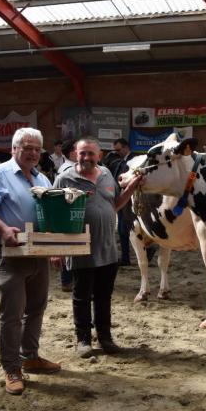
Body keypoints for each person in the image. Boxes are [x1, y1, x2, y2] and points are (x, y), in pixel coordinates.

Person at [0, 127, 61, 396]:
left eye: (37, 149)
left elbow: (50, 214)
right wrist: (2, 228)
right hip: (6, 253)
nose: (33, 153)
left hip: (37, 254)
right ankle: (12, 368)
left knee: (36, 308)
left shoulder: (43, 179)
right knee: (11, 314)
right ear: (14, 149)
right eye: (27, 148)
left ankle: (30, 356)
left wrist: (55, 247)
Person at [53, 137, 142, 358]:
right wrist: (55, 249)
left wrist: (130, 189)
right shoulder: (65, 178)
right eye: (82, 153)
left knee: (104, 296)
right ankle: (83, 339)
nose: (86, 158)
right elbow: (53, 214)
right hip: (80, 249)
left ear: (99, 155)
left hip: (109, 250)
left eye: (91, 154)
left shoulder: (106, 175)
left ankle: (105, 338)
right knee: (81, 296)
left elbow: (114, 205)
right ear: (75, 153)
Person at [108, 138, 136, 267]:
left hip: (130, 200)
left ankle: (127, 257)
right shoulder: (120, 161)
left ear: (126, 147)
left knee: (125, 228)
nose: (117, 152)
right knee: (123, 228)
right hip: (121, 198)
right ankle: (126, 256)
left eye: (119, 150)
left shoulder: (134, 160)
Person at [58, 139, 77, 292]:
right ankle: (67, 281)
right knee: (69, 249)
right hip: (69, 212)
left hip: (66, 213)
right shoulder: (69, 170)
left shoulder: (64, 166)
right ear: (72, 153)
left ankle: (67, 280)